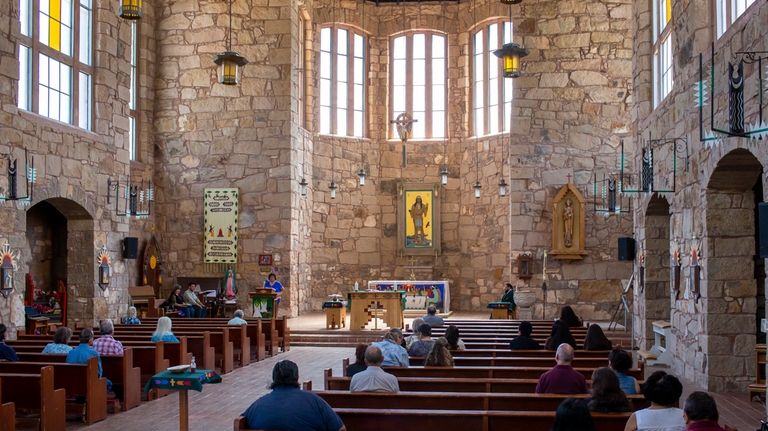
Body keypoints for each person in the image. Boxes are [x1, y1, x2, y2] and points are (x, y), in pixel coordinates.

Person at [242, 360, 345, 431]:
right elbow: (340, 428)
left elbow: (242, 422)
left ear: (274, 379)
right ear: (296, 377)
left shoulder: (258, 405)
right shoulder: (314, 401)